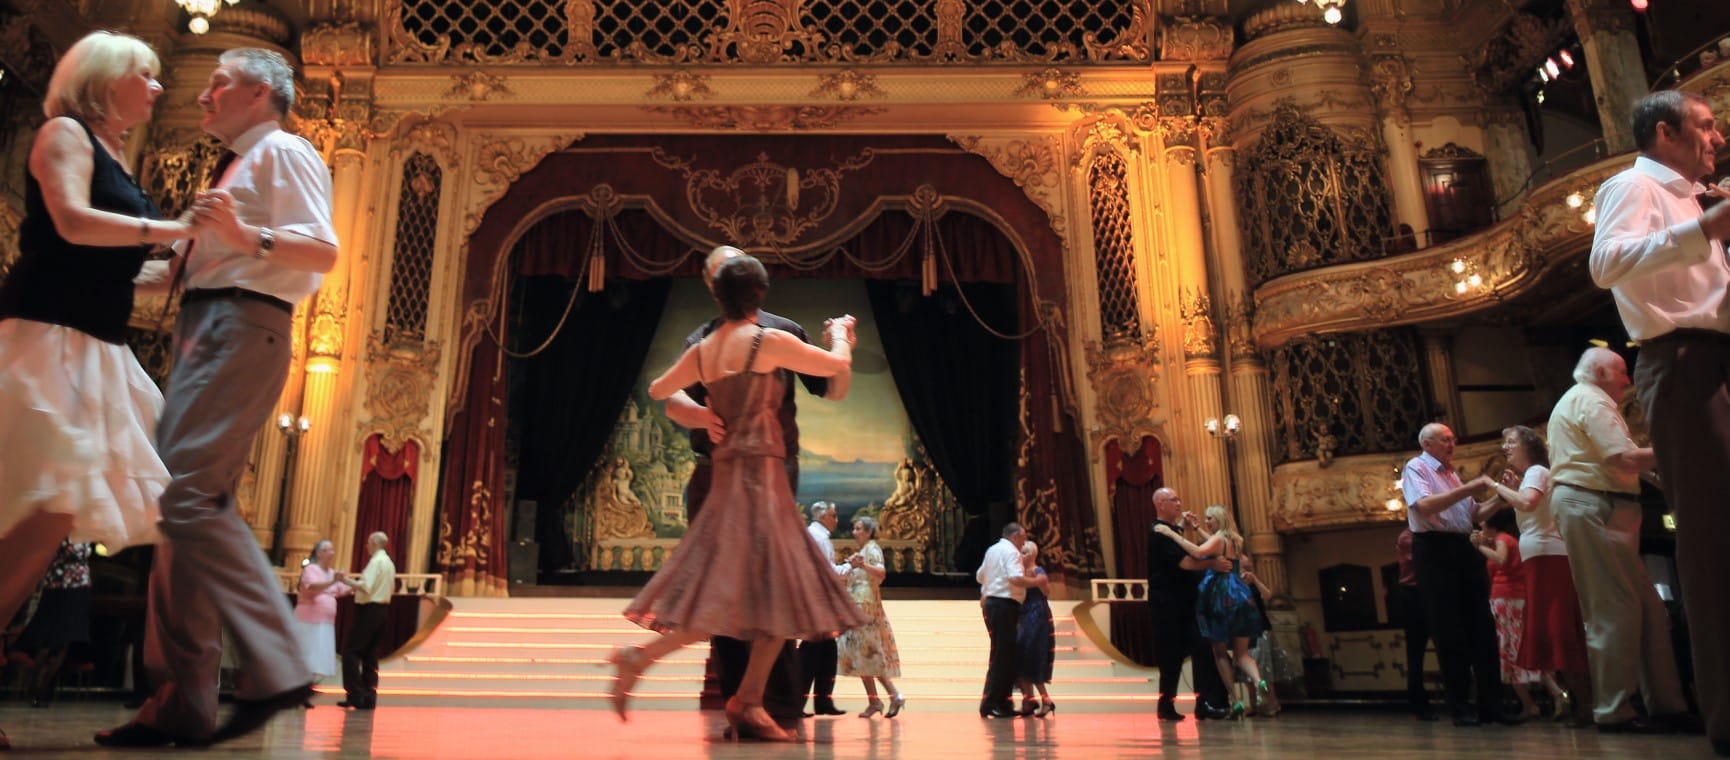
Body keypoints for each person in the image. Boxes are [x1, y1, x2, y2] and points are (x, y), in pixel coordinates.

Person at [96, 47, 339, 747]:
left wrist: (243, 234)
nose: (201, 95)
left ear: (262, 93)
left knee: (184, 500)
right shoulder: (233, 167)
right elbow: (172, 270)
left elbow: (320, 250)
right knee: (181, 514)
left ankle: (276, 659)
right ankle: (183, 699)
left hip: (243, 322)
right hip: (207, 323)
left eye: (219, 83)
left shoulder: (284, 151)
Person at [0, 30, 194, 751]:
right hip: (50, 340)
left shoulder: (115, 154)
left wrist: (183, 267)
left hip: (98, 349)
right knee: (40, 507)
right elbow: (72, 225)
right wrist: (172, 227)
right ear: (105, 81)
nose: (155, 89)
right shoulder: (62, 133)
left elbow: (117, 268)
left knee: (50, 516)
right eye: (144, 76)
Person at [615, 254, 865, 742]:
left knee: (763, 600)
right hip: (760, 484)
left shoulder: (707, 348)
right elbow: (835, 367)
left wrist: (706, 405)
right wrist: (841, 335)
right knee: (770, 596)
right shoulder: (767, 341)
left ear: (717, 292)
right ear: (759, 294)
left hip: (735, 481)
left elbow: (659, 386)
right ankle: (674, 670)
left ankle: (744, 700)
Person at [1590, 88, 1730, 755]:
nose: (1719, 138)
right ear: (1666, 132)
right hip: (1682, 362)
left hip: (1715, 355)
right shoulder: (1633, 185)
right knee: (1714, 543)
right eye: (1707, 127)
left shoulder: (1695, 196)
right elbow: (1606, 263)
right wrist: (1706, 228)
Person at [1547, 347, 1692, 735]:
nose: (1628, 381)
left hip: (1600, 504)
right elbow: (1622, 459)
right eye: (1623, 373)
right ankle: (1615, 711)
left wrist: (1657, 475)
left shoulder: (1580, 400)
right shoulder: (1591, 401)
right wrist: (1678, 449)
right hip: (1596, 505)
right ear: (1599, 372)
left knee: (1648, 611)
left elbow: (1617, 460)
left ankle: (1665, 704)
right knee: (1614, 610)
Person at [1479, 424, 1590, 725]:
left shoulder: (1537, 472)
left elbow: (1528, 503)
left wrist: (1495, 485)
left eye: (1511, 442)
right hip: (1540, 557)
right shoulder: (1532, 475)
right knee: (1557, 629)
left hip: (1547, 556)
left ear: (1528, 445)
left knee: (1559, 629)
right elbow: (1525, 506)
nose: (1505, 448)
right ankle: (1581, 704)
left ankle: (1585, 706)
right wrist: (1510, 490)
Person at [1401, 422, 1504, 727]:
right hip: (1434, 550)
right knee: (1449, 631)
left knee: (1482, 628)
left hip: (1463, 546)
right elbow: (1423, 505)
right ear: (1427, 443)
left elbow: (1473, 514)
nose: (1452, 444)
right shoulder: (1417, 467)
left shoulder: (1450, 472)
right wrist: (1469, 488)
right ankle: (1460, 708)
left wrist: (1500, 497)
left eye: (1453, 439)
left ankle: (1492, 707)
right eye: (1445, 440)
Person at [1153, 504, 1266, 719]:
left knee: (1220, 652)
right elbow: (1216, 543)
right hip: (1241, 595)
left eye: (1209, 519)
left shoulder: (1218, 540)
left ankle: (1235, 699)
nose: (1206, 522)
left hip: (1221, 595)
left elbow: (1198, 551)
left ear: (1218, 519)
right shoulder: (1236, 539)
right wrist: (1196, 529)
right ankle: (1258, 680)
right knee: (1242, 654)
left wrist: (1171, 533)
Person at [1145, 488, 1230, 721]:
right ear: (1160, 504)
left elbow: (1190, 551)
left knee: (1202, 649)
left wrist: (1186, 528)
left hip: (1185, 601)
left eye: (1179, 498)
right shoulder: (1159, 532)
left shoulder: (1172, 530)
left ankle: (1203, 703)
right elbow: (1186, 564)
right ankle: (1166, 706)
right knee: (1170, 656)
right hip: (1168, 604)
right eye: (1174, 500)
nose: (1179, 503)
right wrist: (1213, 563)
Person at [11, 540, 95, 708]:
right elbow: (70, 552)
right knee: (50, 641)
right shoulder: (62, 531)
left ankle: (42, 689)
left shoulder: (87, 531)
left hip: (79, 587)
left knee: (64, 641)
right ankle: (35, 687)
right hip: (59, 586)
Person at [1473, 509, 1540, 721]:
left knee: (1510, 650)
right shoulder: (1506, 539)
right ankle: (1555, 696)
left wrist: (1480, 546)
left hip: (1507, 598)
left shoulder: (1502, 539)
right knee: (1515, 646)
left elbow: (1500, 560)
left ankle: (1530, 704)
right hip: (1512, 597)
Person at [837, 515, 904, 718]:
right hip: (858, 605)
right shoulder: (864, 551)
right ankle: (878, 699)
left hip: (865, 608)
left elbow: (881, 573)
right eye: (854, 528)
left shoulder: (872, 549)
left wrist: (862, 565)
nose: (854, 532)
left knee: (867, 653)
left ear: (868, 531)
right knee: (862, 655)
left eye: (858, 529)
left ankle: (889, 696)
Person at [976, 522, 1038, 719]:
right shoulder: (1011, 552)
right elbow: (1015, 578)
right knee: (1002, 655)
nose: (1024, 542)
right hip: (1003, 604)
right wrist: (1037, 582)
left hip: (994, 604)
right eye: (1023, 537)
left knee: (1005, 654)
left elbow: (980, 576)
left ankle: (1002, 701)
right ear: (1015, 537)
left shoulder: (993, 549)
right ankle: (992, 702)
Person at [798, 501, 848, 717]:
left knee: (826, 650)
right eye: (833, 516)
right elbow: (829, 572)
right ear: (823, 517)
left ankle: (822, 701)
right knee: (812, 651)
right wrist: (850, 566)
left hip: (816, 598)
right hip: (817, 599)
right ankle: (798, 703)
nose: (836, 520)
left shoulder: (815, 535)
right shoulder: (819, 538)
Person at [337, 532, 394, 710]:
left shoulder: (376, 562)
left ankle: (355, 694)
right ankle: (369, 695)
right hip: (383, 610)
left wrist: (344, 580)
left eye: (368, 543)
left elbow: (366, 586)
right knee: (371, 654)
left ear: (374, 544)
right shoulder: (389, 563)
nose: (366, 546)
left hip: (369, 610)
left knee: (351, 652)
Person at [292, 539, 351, 705]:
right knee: (305, 655)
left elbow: (342, 590)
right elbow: (311, 587)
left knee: (315, 659)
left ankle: (304, 691)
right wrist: (334, 581)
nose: (332, 553)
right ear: (319, 553)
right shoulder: (311, 569)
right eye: (328, 550)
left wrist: (356, 585)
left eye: (333, 550)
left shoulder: (331, 572)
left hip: (324, 622)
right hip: (308, 620)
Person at [1393, 528, 1435, 721]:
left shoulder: (1415, 536)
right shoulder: (1408, 537)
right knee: (1416, 653)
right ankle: (1418, 704)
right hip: (1413, 594)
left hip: (1425, 592)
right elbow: (1422, 562)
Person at [1014, 540, 1056, 718]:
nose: (1021, 556)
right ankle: (1028, 699)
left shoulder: (1038, 572)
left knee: (1032, 657)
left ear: (1032, 554)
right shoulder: (1018, 572)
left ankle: (1045, 699)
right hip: (1022, 616)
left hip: (1037, 617)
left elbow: (1047, 592)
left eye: (1024, 553)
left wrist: (1035, 581)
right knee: (1020, 657)